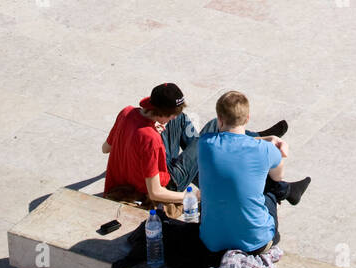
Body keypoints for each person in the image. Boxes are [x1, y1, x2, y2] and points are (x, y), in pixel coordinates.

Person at [101, 82, 289, 212]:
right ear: (161, 114)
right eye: (171, 115)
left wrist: (132, 149)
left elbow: (106, 148)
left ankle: (245, 136)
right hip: (168, 184)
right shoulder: (151, 140)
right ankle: (248, 136)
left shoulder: (127, 112)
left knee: (185, 123)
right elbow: (155, 192)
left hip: (122, 183)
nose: (173, 118)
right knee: (211, 130)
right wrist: (197, 196)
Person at [197, 90, 311, 256]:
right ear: (247, 118)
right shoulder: (266, 150)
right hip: (256, 243)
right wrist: (271, 144)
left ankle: (291, 192)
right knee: (270, 185)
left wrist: (266, 139)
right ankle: (289, 192)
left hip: (212, 241)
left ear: (219, 120)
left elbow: (233, 143)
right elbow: (278, 177)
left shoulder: (204, 144)